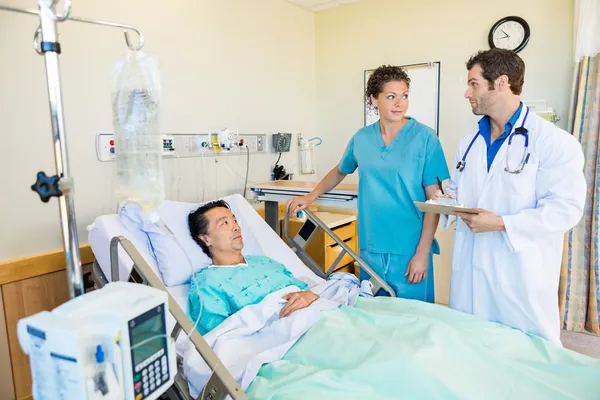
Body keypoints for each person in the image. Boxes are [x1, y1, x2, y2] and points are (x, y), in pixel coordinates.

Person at [435, 48, 586, 346]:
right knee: (471, 349)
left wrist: (502, 223)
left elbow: (565, 209)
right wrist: (448, 199)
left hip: (519, 273)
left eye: (474, 83)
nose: (467, 93)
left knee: (524, 357)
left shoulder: (554, 142)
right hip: (470, 271)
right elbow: (461, 186)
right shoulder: (469, 142)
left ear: (501, 83)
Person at [286, 65, 450, 302]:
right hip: (371, 244)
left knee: (413, 319)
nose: (399, 103)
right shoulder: (362, 138)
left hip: (410, 246)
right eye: (391, 96)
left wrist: (422, 253)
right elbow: (340, 170)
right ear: (374, 99)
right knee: (373, 313)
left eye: (404, 96)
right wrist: (310, 197)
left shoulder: (425, 138)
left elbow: (434, 200)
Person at [187, 200, 319, 334]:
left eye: (235, 221)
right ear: (206, 239)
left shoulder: (264, 261)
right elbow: (219, 333)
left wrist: (309, 296)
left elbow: (304, 290)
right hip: (284, 334)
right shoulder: (207, 281)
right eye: (224, 223)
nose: (236, 227)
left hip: (317, 315)